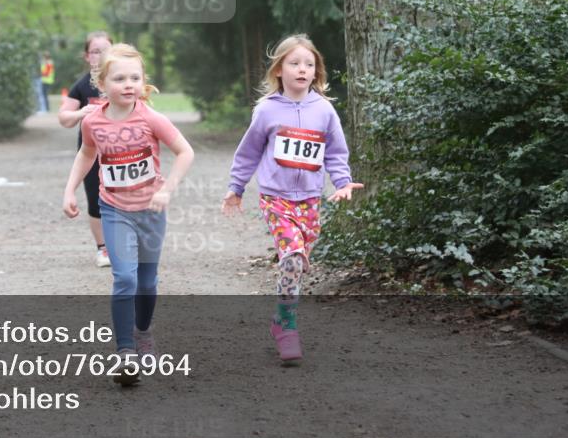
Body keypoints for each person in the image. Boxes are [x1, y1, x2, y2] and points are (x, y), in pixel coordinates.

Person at [222, 34, 364, 364]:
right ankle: (287, 328)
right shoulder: (267, 111)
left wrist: (341, 181)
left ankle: (279, 316)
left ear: (317, 72)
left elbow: (336, 152)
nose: (302, 69)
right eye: (294, 63)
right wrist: (236, 187)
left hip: (310, 200)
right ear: (279, 70)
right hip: (276, 198)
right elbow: (249, 152)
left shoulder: (325, 111)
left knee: (298, 263)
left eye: (309, 64)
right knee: (291, 257)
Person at [62, 43, 194, 386]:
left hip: (151, 210)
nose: (128, 84)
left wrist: (167, 189)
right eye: (119, 78)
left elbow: (184, 151)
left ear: (143, 81)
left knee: (147, 282)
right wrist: (69, 189)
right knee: (125, 278)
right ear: (102, 84)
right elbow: (86, 154)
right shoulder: (93, 121)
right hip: (114, 208)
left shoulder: (151, 117)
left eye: (135, 77)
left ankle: (143, 332)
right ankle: (125, 354)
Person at [58, 31, 114, 267]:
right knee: (96, 199)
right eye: (96, 51)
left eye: (106, 50)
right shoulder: (82, 85)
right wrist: (81, 113)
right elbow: (64, 117)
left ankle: (128, 244)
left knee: (127, 197)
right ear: (86, 56)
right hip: (92, 154)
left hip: (122, 152)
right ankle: (103, 249)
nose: (101, 56)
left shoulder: (122, 79)